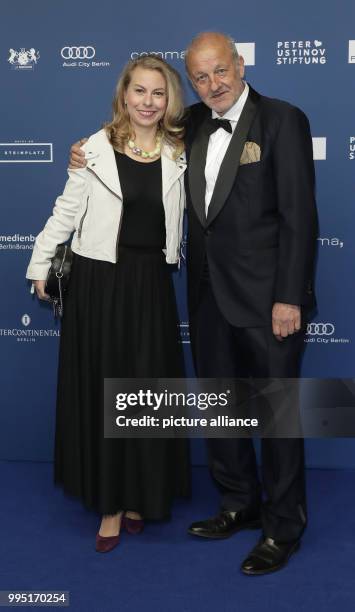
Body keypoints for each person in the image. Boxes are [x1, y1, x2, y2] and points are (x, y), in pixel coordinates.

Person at [69, 32, 318, 574]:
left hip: (268, 300)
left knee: (278, 417)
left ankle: (282, 528)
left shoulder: (283, 119)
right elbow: (135, 139)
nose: (212, 85)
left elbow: (300, 217)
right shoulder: (193, 126)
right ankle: (238, 503)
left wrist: (289, 297)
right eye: (200, 78)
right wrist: (84, 153)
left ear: (240, 64)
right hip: (206, 299)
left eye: (220, 72)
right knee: (222, 411)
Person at [26, 55, 190, 553]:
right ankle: (111, 505)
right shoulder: (93, 149)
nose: (147, 101)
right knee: (106, 392)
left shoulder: (180, 150)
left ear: (169, 101)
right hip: (99, 282)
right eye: (138, 91)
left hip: (150, 284)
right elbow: (66, 210)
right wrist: (38, 265)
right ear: (124, 95)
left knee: (145, 392)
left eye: (157, 93)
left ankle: (142, 493)